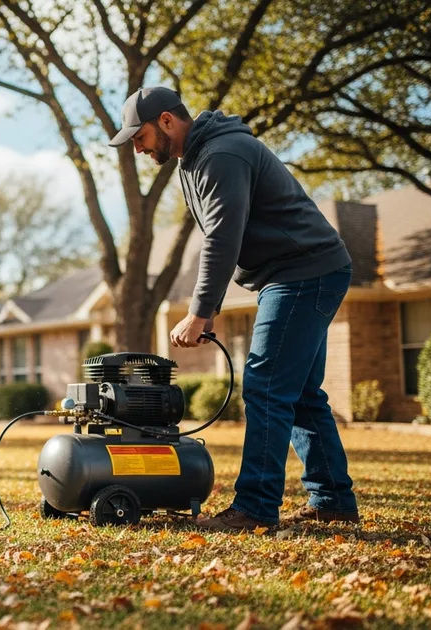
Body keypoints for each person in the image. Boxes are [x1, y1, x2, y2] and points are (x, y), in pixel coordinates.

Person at [109, 87, 359, 531]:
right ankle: (333, 500)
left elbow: (223, 239)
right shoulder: (195, 159)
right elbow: (227, 238)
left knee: (265, 386)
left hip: (303, 272)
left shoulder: (223, 153)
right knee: (299, 393)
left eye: (140, 135)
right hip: (297, 273)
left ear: (166, 121)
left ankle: (256, 508)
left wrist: (200, 311)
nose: (138, 147)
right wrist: (210, 306)